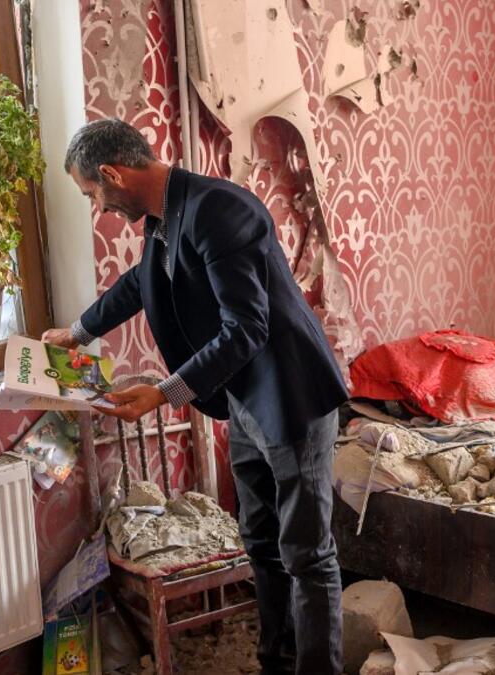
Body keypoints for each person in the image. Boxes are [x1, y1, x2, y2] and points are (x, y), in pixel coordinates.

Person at [42, 118, 349, 675]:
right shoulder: (163, 216)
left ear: (113, 174)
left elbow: (246, 331)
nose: (100, 208)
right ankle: (275, 661)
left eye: (94, 195)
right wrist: (79, 332)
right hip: (245, 400)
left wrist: (163, 394)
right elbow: (141, 284)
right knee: (259, 540)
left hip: (292, 394)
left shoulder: (219, 211)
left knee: (307, 554)